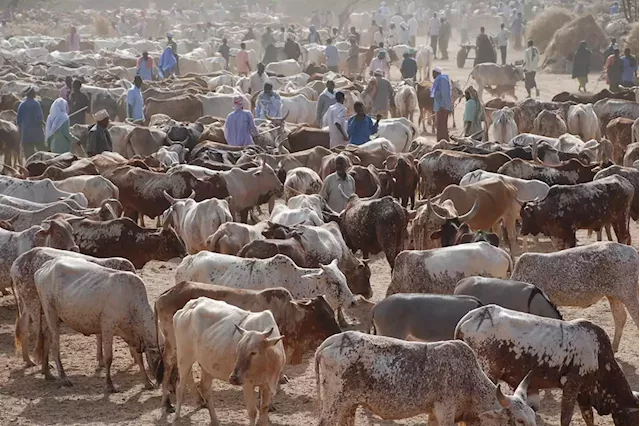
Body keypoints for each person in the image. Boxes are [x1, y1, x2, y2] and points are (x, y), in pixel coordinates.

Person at [16, 87, 45, 159]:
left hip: (25, 135)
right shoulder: (36, 104)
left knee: (28, 157)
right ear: (32, 94)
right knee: (42, 153)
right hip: (37, 135)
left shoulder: (21, 105)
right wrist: (44, 124)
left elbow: (18, 121)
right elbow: (39, 119)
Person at [431, 67, 451, 141]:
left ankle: (443, 140)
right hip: (440, 106)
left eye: (433, 73)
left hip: (442, 106)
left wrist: (445, 106)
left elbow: (445, 94)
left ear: (437, 73)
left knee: (441, 125)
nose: (432, 75)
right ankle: (441, 139)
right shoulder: (439, 79)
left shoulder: (442, 80)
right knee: (440, 124)